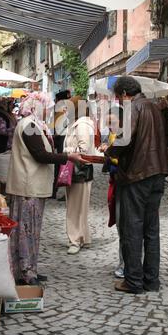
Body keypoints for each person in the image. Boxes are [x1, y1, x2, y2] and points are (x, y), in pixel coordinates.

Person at [6, 92, 86, 285]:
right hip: (28, 187)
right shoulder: (30, 126)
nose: (49, 112)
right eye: (46, 108)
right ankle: (25, 272)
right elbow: (40, 155)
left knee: (30, 231)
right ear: (36, 108)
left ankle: (28, 269)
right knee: (27, 231)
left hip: (31, 185)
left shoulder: (32, 124)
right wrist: (69, 157)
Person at [105, 76, 168, 294]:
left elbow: (125, 139)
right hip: (157, 172)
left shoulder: (134, 107)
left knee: (132, 227)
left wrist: (109, 152)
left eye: (117, 96)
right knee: (151, 229)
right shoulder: (154, 107)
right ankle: (151, 280)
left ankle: (133, 281)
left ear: (124, 94)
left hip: (138, 174)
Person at [64, 96, 96, 254]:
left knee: (75, 207)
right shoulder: (81, 124)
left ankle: (75, 239)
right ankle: (83, 237)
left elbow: (83, 149)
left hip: (78, 169)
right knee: (80, 206)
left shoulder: (81, 125)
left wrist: (66, 152)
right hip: (81, 170)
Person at [100, 105, 125, 279]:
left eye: (113, 122)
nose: (110, 126)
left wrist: (109, 155)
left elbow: (122, 159)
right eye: (108, 123)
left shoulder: (125, 136)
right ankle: (124, 262)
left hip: (125, 184)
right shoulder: (114, 134)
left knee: (126, 226)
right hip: (116, 182)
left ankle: (126, 264)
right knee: (121, 225)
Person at [52, 90, 71, 200]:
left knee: (59, 163)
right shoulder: (69, 107)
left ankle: (54, 190)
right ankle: (64, 191)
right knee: (66, 163)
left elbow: (59, 124)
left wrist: (56, 135)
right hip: (66, 136)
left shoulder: (60, 107)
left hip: (61, 137)